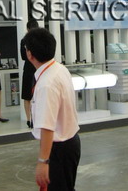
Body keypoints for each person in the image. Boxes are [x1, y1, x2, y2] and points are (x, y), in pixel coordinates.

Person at [24, 27, 81, 190]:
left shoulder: (46, 84)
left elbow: (47, 126)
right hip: (70, 142)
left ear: (30, 54)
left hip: (59, 149)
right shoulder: (59, 69)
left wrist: (43, 161)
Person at [21, 19, 39, 128]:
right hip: (38, 68)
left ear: (27, 29)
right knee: (39, 95)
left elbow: (23, 57)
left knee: (27, 96)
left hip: (28, 69)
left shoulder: (24, 41)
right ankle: (38, 118)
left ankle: (29, 119)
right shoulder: (40, 40)